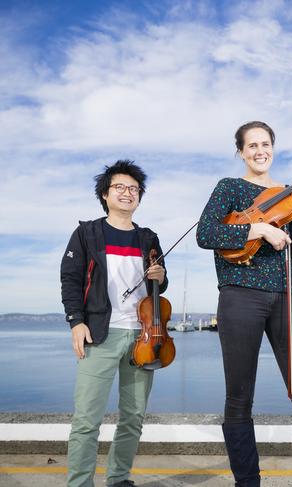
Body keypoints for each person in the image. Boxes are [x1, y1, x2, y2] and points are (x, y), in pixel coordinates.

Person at [196, 121, 292, 487]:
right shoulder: (229, 187)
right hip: (239, 294)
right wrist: (257, 229)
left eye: (266, 144)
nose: (260, 150)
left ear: (273, 148)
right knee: (239, 396)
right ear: (241, 152)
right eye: (252, 145)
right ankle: (247, 482)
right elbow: (206, 233)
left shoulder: (286, 196)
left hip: (286, 293)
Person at [60, 160, 167, 487]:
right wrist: (76, 321)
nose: (127, 192)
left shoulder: (148, 238)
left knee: (133, 419)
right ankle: (80, 483)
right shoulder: (87, 233)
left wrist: (160, 278)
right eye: (119, 187)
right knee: (86, 421)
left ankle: (119, 479)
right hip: (99, 335)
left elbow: (159, 288)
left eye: (133, 188)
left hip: (143, 338)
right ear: (105, 194)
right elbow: (70, 279)